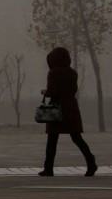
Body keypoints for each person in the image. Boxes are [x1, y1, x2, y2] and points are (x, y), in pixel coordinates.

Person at [38, 46, 97, 177]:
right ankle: (90, 161)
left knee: (52, 140)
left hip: (56, 108)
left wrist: (44, 92)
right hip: (70, 107)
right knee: (77, 138)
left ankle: (48, 168)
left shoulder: (53, 73)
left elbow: (52, 91)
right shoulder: (72, 72)